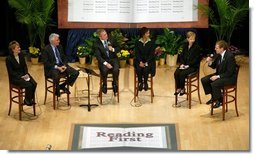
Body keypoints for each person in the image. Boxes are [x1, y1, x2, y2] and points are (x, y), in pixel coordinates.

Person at [201, 40, 237, 108]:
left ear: (222, 48)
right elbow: (214, 65)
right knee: (204, 80)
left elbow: (229, 72)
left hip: (230, 78)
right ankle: (214, 97)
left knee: (214, 83)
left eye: (216, 48)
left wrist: (217, 76)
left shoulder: (229, 56)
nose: (215, 49)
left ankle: (220, 101)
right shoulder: (218, 55)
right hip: (221, 75)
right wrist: (210, 62)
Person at [6, 41, 37, 106]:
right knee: (29, 85)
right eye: (18, 47)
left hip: (24, 75)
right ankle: (27, 100)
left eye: (19, 47)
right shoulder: (8, 59)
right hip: (16, 78)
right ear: (13, 50)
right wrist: (21, 77)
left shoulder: (21, 55)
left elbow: (25, 66)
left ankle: (28, 99)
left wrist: (26, 74)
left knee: (34, 83)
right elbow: (11, 72)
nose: (20, 48)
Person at [174, 31, 201, 96]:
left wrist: (188, 65)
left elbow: (196, 59)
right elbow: (182, 56)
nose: (192, 40)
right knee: (176, 73)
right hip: (184, 65)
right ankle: (179, 88)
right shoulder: (185, 45)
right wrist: (182, 64)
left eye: (193, 39)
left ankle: (183, 89)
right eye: (191, 39)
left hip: (193, 66)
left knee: (182, 74)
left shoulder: (197, 47)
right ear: (187, 39)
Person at [94, 29, 120, 94]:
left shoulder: (112, 39)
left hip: (113, 59)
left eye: (106, 34)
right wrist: (106, 64)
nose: (107, 35)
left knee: (116, 69)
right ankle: (104, 84)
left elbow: (118, 48)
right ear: (100, 37)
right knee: (104, 70)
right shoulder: (96, 44)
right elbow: (98, 57)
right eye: (104, 35)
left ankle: (114, 83)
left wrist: (113, 49)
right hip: (104, 60)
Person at [134, 27, 156, 91]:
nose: (148, 34)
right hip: (139, 60)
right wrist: (140, 62)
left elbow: (152, 55)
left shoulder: (151, 42)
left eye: (149, 33)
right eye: (147, 33)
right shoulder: (137, 42)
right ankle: (140, 82)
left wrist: (146, 62)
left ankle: (145, 83)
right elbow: (137, 53)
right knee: (139, 68)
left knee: (146, 68)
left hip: (149, 61)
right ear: (143, 34)